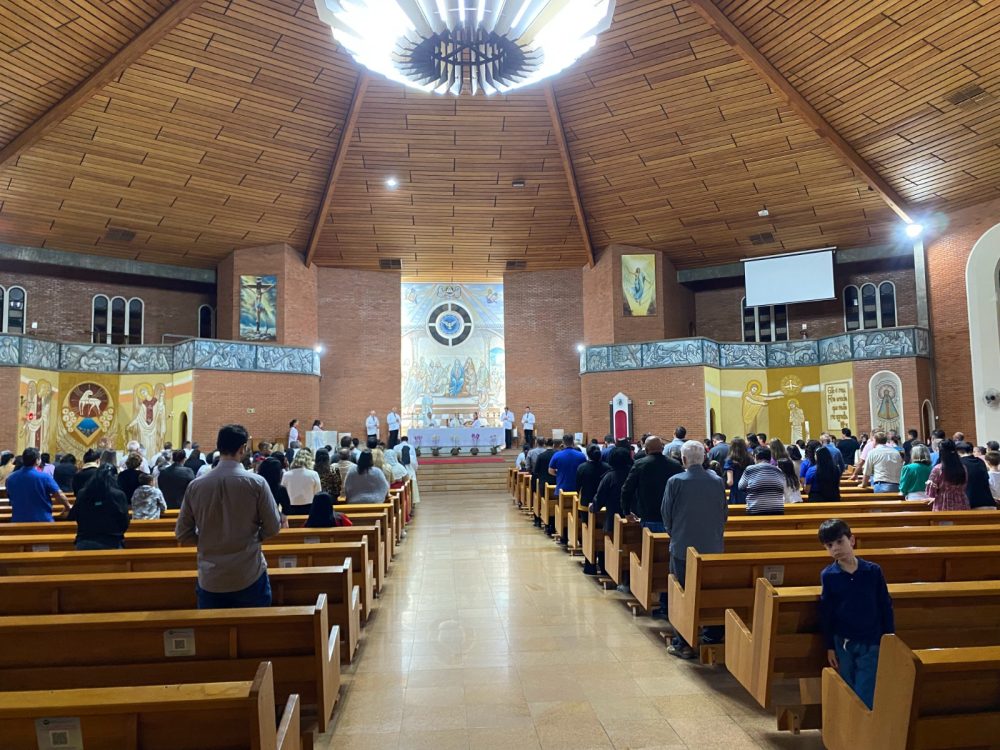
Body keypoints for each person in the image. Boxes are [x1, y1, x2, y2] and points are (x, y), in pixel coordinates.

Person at [175, 424, 281, 608]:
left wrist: (206, 541)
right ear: (243, 448)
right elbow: (273, 526)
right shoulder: (256, 483)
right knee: (254, 625)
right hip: (249, 573)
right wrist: (254, 538)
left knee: (213, 627)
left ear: (219, 446)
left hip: (211, 577)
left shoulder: (196, 485)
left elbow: (182, 533)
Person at [818, 519, 894, 709]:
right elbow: (827, 612)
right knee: (848, 686)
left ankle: (864, 724)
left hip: (871, 639)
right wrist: (829, 646)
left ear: (851, 540)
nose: (836, 548)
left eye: (840, 542)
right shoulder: (829, 576)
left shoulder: (873, 571)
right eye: (830, 545)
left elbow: (885, 604)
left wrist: (889, 637)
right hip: (843, 640)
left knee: (865, 689)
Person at [661, 440, 728, 657]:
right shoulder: (717, 481)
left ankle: (683, 643)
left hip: (683, 545)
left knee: (682, 591)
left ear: (683, 459)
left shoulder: (675, 481)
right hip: (713, 546)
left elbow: (666, 513)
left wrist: (674, 533)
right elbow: (724, 512)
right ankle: (712, 635)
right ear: (704, 458)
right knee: (711, 590)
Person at [622, 436, 683, 617]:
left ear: (646, 449)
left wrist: (626, 511)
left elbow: (627, 489)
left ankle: (651, 597)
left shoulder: (640, 464)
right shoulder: (674, 465)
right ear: (662, 448)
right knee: (670, 561)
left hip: (649, 517)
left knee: (653, 560)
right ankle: (667, 600)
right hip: (672, 520)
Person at [590, 445, 633, 575]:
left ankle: (606, 569)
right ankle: (627, 574)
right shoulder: (634, 474)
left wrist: (594, 507)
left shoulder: (609, 476)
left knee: (608, 540)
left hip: (613, 518)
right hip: (632, 518)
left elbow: (600, 497)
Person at [69, 464, 130, 550]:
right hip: (112, 540)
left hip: (85, 540)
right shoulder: (118, 495)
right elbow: (125, 521)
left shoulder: (83, 493)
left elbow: (75, 515)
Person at [6, 448, 72, 522]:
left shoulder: (10, 478)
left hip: (18, 520)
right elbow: (59, 495)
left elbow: (10, 496)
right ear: (37, 461)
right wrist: (67, 506)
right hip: (42, 520)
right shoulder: (45, 477)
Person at [738, 447, 785, 515]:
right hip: (777, 510)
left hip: (756, 510)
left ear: (755, 456)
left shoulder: (750, 469)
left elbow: (740, 486)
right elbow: (782, 487)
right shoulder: (778, 470)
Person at [926, 439, 969, 511]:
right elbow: (965, 484)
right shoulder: (963, 467)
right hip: (961, 501)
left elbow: (931, 492)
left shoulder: (938, 469)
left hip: (943, 503)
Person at [281, 450, 322, 515]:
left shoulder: (286, 475)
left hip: (291, 508)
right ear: (309, 461)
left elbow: (283, 494)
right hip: (310, 508)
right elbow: (318, 493)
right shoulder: (314, 474)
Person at [957, 441, 996, 510]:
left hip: (970, 503)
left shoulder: (959, 463)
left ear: (959, 452)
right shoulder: (981, 461)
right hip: (988, 501)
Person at [530, 438, 557, 527]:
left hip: (543, 483)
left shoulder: (541, 456)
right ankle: (553, 523)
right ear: (553, 445)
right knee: (555, 502)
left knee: (544, 501)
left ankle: (543, 522)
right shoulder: (557, 454)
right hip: (555, 482)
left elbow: (536, 470)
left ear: (545, 445)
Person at [724, 436, 752, 505]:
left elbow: (730, 482)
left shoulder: (730, 461)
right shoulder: (750, 459)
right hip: (748, 492)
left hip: (736, 492)